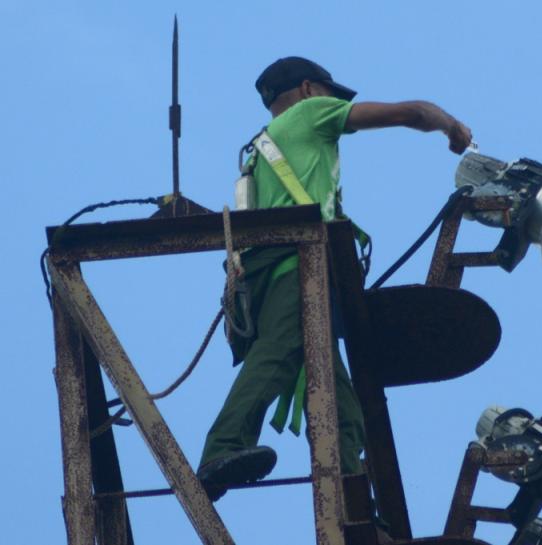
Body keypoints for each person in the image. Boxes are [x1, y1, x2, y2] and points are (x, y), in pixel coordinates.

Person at [197, 56, 472, 501]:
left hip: (273, 279)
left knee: (340, 406)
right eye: (329, 95)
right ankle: (223, 447)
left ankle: (353, 502)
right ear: (308, 89)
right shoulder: (308, 113)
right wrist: (451, 126)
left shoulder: (262, 149)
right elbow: (409, 113)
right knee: (279, 353)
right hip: (295, 271)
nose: (334, 106)